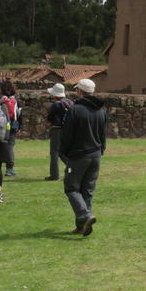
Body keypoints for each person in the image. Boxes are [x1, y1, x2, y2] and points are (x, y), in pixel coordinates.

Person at [59, 79, 106, 236]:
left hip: (79, 155)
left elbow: (68, 133)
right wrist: (101, 151)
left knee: (72, 188)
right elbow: (103, 135)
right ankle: (82, 226)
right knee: (87, 191)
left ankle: (85, 216)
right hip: (95, 155)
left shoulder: (75, 109)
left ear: (79, 91)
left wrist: (63, 151)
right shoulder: (100, 111)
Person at [46, 83, 74, 181]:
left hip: (57, 129)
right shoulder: (70, 102)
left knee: (54, 152)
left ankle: (54, 174)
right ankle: (73, 168)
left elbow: (50, 117)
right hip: (68, 130)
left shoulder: (56, 104)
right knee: (63, 152)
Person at [0, 80, 22, 177]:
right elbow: (20, 114)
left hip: (1, 125)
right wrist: (19, 126)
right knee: (10, 146)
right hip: (13, 125)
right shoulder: (16, 100)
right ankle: (9, 168)